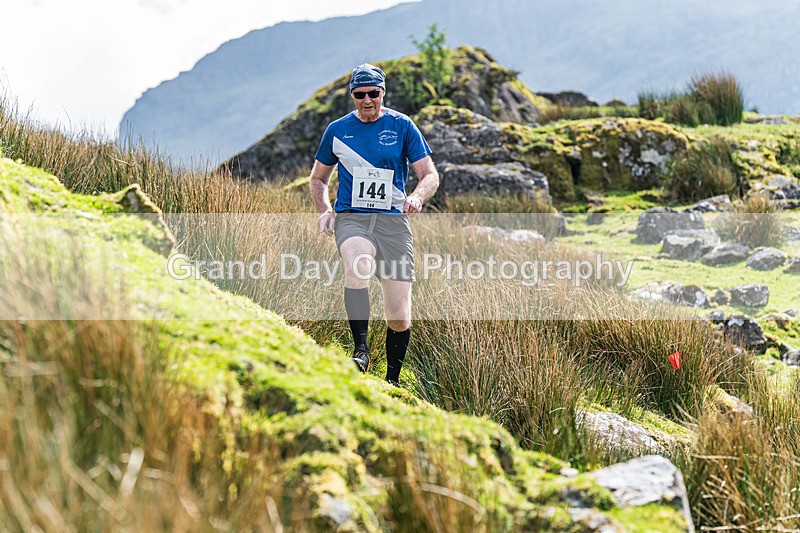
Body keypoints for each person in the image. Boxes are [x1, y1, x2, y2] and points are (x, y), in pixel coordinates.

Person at [309, 63, 439, 385]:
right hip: (352, 216)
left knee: (398, 315)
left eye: (373, 94)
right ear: (352, 95)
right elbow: (318, 178)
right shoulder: (337, 130)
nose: (367, 101)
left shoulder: (403, 126)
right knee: (358, 262)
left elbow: (429, 174)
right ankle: (361, 351)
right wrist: (326, 209)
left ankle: (392, 380)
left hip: (393, 222)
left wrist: (418, 197)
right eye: (359, 94)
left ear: (383, 92)